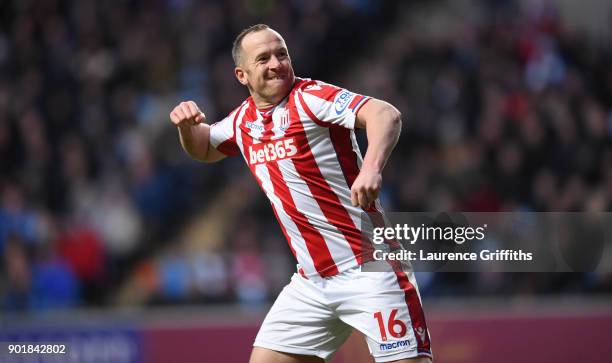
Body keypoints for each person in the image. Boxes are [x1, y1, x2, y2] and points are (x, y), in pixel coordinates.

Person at [169, 24, 432, 363]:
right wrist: (187, 129)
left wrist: (371, 168)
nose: (276, 63)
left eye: (281, 54)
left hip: (370, 269)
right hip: (311, 282)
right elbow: (204, 147)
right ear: (242, 75)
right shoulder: (242, 122)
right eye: (263, 58)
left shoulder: (310, 98)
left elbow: (385, 113)